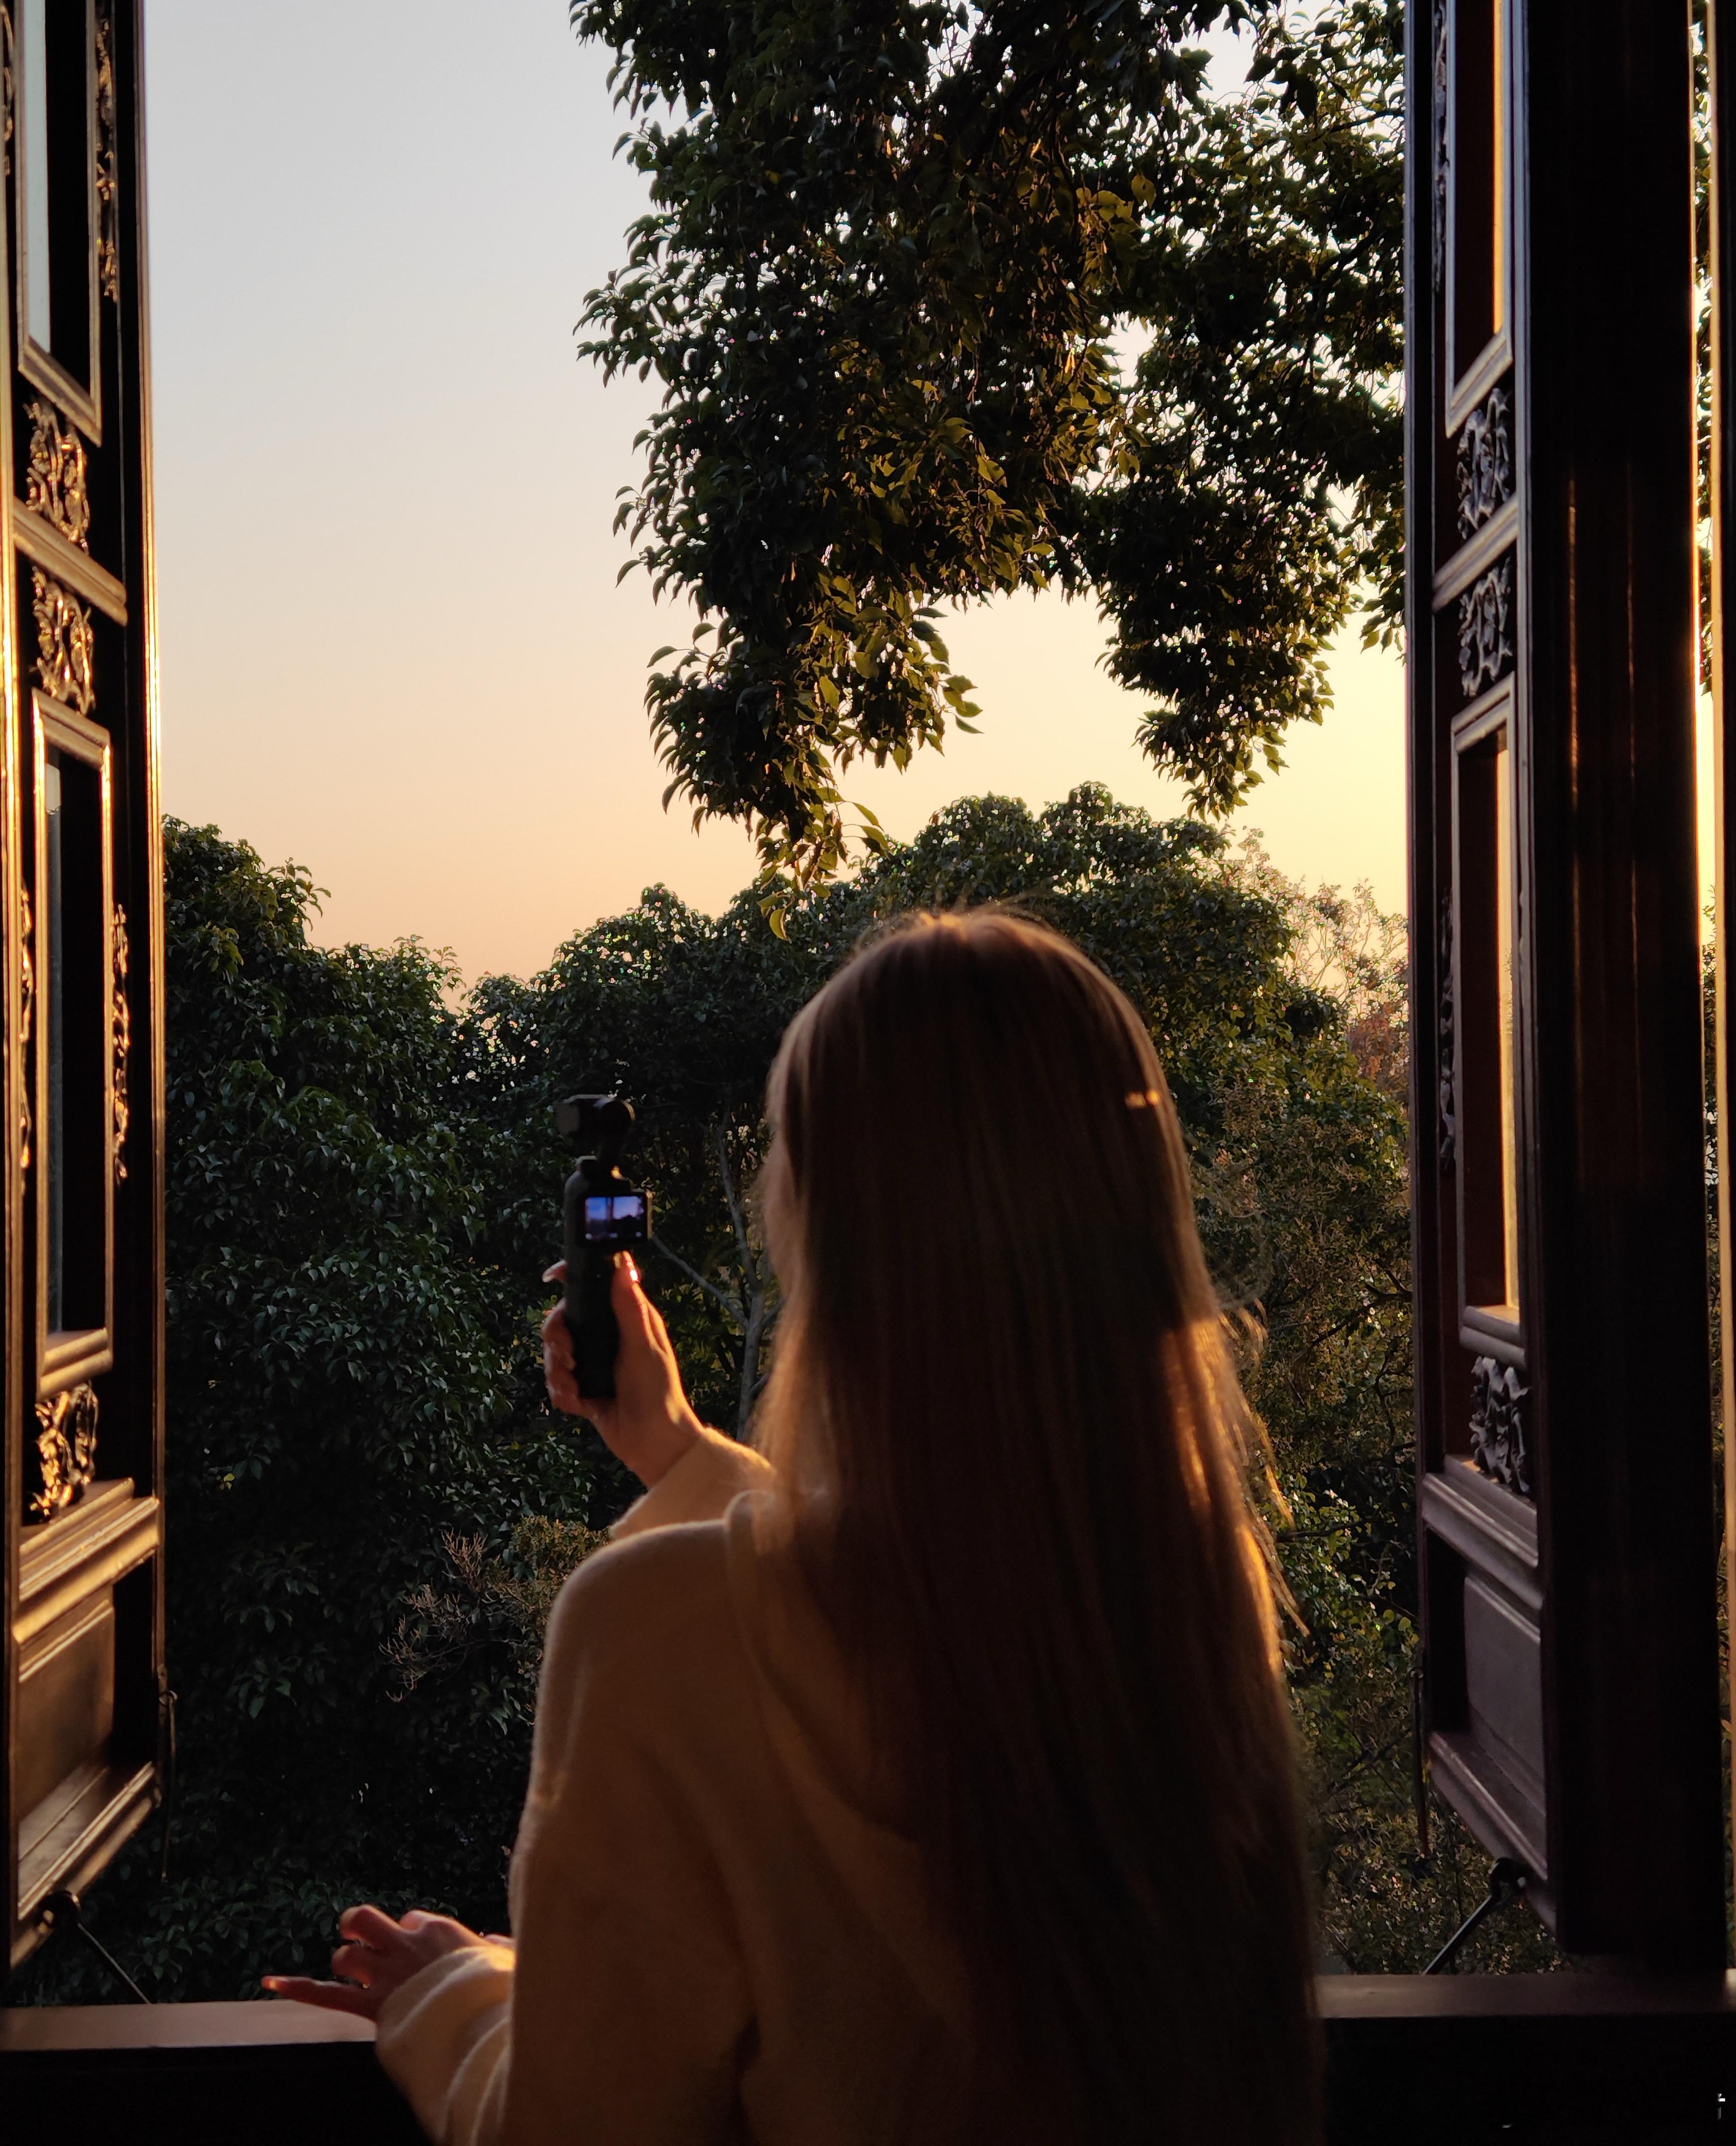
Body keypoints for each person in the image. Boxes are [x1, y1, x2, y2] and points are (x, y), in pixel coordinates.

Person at [266, 910, 1320, 2144]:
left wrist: (455, 1994)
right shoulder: (1190, 1603)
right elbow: (937, 1598)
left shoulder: (649, 1635)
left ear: (833, 1231)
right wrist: (679, 1455)